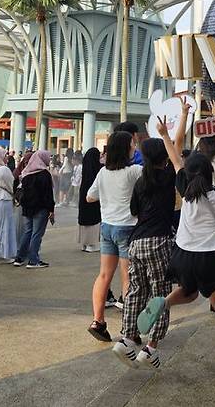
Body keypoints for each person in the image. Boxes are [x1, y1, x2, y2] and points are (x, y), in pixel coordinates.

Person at [135, 118, 215, 363]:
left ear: (189, 173)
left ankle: (163, 302)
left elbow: (175, 159)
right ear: (209, 174)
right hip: (210, 256)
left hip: (182, 254)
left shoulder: (185, 191)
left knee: (188, 291)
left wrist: (165, 135)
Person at [112, 137, 176, 369]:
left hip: (136, 243)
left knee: (135, 292)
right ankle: (151, 349)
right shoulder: (168, 177)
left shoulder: (141, 182)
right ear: (165, 157)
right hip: (158, 242)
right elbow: (176, 151)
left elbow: (134, 211)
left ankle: (126, 340)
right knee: (160, 295)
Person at [86, 131, 143, 341]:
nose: (134, 148)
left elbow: (89, 197)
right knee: (128, 278)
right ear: (125, 149)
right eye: (132, 145)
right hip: (127, 228)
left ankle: (98, 321)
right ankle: (130, 329)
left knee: (103, 276)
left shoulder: (103, 173)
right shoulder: (135, 171)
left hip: (107, 228)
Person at [13, 150, 55, 268]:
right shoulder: (45, 174)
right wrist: (51, 209)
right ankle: (33, 260)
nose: (49, 160)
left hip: (27, 208)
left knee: (27, 232)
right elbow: (48, 195)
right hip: (40, 209)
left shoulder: (27, 173)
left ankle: (19, 258)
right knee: (37, 234)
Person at [77, 148, 102, 253]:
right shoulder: (98, 169)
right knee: (93, 219)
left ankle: (84, 244)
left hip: (83, 196)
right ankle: (92, 244)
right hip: (94, 199)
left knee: (84, 220)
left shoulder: (85, 168)